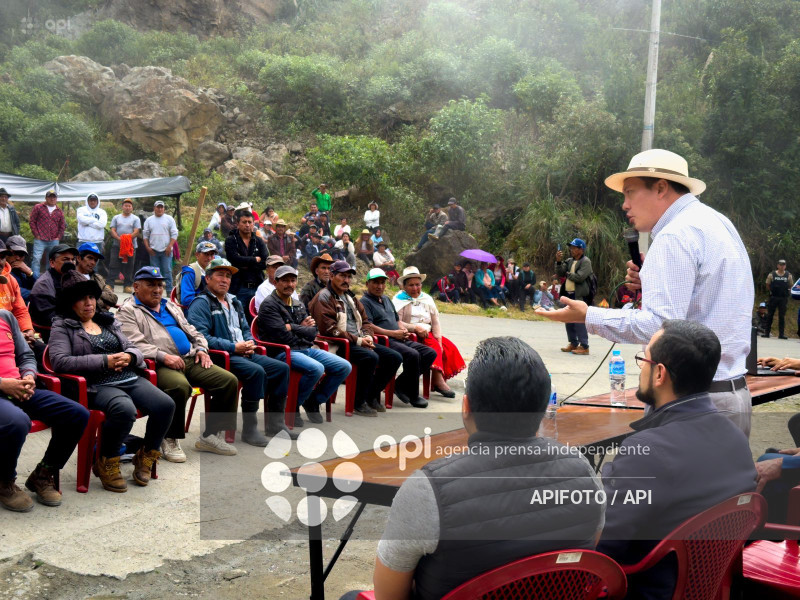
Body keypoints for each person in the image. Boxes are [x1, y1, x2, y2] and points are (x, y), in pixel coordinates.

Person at [341, 336, 604, 600]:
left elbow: (389, 595)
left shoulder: (427, 489)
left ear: (466, 407)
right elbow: (585, 554)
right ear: (544, 407)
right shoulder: (585, 472)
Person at [536, 149, 755, 437]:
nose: (624, 205)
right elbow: (707, 299)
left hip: (693, 405)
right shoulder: (717, 222)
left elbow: (660, 327)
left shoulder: (675, 235)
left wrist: (588, 315)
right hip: (732, 394)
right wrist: (652, 282)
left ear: (661, 187)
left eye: (630, 193)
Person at [598, 320, 756, 599]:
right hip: (706, 588)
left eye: (642, 359)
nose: (641, 369)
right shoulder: (736, 440)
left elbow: (603, 548)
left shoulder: (647, 451)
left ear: (659, 373)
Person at [49, 270, 175, 492]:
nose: (88, 304)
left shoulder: (107, 321)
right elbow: (60, 362)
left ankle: (145, 455)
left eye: (91, 298)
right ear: (70, 303)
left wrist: (129, 357)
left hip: (127, 377)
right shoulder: (62, 326)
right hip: (95, 384)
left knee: (166, 404)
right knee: (124, 409)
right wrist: (104, 361)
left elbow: (132, 347)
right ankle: (107, 461)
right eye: (81, 299)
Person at [117, 266, 240, 461]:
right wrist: (163, 357)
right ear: (136, 287)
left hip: (189, 358)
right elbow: (134, 343)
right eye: (151, 285)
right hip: (158, 364)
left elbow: (194, 330)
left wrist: (201, 348)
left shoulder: (170, 306)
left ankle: (210, 436)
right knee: (179, 386)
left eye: (160, 285)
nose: (157, 289)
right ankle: (170, 437)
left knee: (228, 381)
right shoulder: (128, 311)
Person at [188, 258, 295, 445]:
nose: (225, 280)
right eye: (220, 275)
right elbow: (201, 337)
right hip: (220, 356)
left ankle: (276, 424)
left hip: (242, 352)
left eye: (228, 276)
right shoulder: (201, 303)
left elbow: (245, 328)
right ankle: (250, 428)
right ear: (208, 279)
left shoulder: (235, 301)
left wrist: (249, 343)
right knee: (256, 372)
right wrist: (233, 347)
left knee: (281, 368)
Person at [0, 309, 89, 511]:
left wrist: (29, 376)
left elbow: (26, 355)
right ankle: (5, 481)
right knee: (17, 421)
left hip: (20, 387)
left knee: (76, 414)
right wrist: (3, 384)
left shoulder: (5, 317)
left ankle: (43, 473)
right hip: (3, 390)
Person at [257, 265, 352, 424]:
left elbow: (313, 331)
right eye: (285, 280)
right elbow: (282, 337)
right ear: (275, 282)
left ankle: (313, 400)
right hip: (282, 352)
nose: (290, 284)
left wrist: (293, 327)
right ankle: (293, 406)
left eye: (293, 280)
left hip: (304, 348)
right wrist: (301, 328)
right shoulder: (269, 305)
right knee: (316, 368)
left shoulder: (297, 303)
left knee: (344, 367)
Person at [309, 261, 402, 416]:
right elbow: (330, 330)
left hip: (357, 341)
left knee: (394, 357)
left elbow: (366, 321)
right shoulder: (324, 297)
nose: (347, 280)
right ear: (332, 276)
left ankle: (370, 394)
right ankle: (358, 403)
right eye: (342, 276)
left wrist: (367, 336)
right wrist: (359, 340)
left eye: (349, 277)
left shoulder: (350, 297)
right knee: (370, 357)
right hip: (337, 343)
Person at [361, 268, 435, 407]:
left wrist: (402, 328)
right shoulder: (365, 302)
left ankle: (400, 384)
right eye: (375, 282)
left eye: (382, 282)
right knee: (412, 355)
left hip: (399, 338)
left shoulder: (386, 299)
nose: (380, 286)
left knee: (429, 353)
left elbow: (397, 320)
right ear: (367, 284)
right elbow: (368, 326)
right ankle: (413, 395)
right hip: (384, 340)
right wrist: (392, 333)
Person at [393, 266, 465, 398]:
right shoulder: (399, 300)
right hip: (410, 334)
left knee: (448, 347)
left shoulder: (427, 298)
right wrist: (415, 328)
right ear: (404, 286)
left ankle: (437, 380)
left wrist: (439, 338)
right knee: (434, 346)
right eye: (411, 285)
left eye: (418, 285)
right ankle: (438, 381)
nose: (415, 288)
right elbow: (397, 322)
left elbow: (435, 321)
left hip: (428, 332)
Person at [225, 209, 268, 319]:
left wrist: (244, 263)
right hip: (238, 286)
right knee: (238, 317)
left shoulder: (259, 241)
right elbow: (233, 260)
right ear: (238, 224)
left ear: (254, 224)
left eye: (250, 222)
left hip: (257, 286)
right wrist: (254, 260)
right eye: (244, 222)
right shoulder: (231, 240)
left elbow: (265, 262)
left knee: (258, 317)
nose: (247, 225)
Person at [553, 238, 593, 355]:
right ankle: (573, 343)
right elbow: (560, 272)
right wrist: (559, 261)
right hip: (569, 294)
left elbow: (579, 277)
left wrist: (567, 274)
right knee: (568, 318)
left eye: (574, 248)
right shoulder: (569, 260)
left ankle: (584, 346)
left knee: (579, 320)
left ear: (581, 249)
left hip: (580, 295)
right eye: (571, 247)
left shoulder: (586, 262)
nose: (572, 250)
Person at [29, 244, 78, 332]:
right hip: (49, 330)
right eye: (66, 259)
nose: (71, 263)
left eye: (73, 259)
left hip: (67, 323)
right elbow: (49, 318)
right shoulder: (43, 285)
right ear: (52, 263)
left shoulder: (71, 277)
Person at [0, 240, 35, 346]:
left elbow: (20, 310)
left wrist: (28, 330)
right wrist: (17, 335)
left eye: (2, 257)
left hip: (14, 336)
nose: (18, 258)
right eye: (16, 254)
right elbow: (37, 293)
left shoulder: (12, 278)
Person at [143, 200, 178, 294]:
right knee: (154, 272)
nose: (160, 209)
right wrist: (148, 248)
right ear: (154, 208)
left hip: (166, 250)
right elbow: (145, 235)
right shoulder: (149, 220)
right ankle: (155, 290)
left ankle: (169, 291)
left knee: (167, 270)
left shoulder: (169, 219)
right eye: (158, 207)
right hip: (153, 250)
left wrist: (169, 246)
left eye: (161, 207)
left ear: (164, 209)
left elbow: (174, 234)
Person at [107, 199, 142, 294]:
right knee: (113, 264)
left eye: (129, 206)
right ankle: (110, 284)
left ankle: (127, 285)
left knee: (129, 266)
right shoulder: (116, 217)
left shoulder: (135, 219)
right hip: (117, 245)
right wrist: (119, 239)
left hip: (131, 246)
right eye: (125, 205)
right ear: (122, 207)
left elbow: (136, 231)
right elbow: (112, 230)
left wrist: (126, 239)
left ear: (132, 208)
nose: (127, 207)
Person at [29, 190, 65, 279]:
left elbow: (62, 225)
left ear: (56, 199)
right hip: (40, 239)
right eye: (50, 196)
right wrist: (36, 234)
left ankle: (48, 279)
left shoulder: (59, 211)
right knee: (36, 259)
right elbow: (32, 221)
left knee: (52, 261)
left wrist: (58, 237)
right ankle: (35, 280)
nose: (52, 198)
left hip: (53, 240)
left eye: (54, 197)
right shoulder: (38, 207)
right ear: (46, 198)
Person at [75, 243, 118, 312]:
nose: (93, 262)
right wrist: (104, 304)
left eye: (95, 260)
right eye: (90, 258)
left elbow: (114, 298)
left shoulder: (97, 278)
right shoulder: (71, 277)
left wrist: (97, 293)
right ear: (79, 258)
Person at [176, 241, 217, 308]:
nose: (209, 258)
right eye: (206, 254)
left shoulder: (214, 271)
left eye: (212, 255)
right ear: (197, 255)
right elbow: (186, 300)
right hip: (194, 313)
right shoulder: (190, 272)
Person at [765, 259, 793, 339]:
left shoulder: (788, 275)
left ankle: (781, 334)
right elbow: (767, 284)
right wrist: (771, 291)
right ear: (777, 265)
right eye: (780, 265)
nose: (782, 266)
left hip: (783, 298)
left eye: (783, 265)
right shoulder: (772, 274)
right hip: (773, 297)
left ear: (785, 266)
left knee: (782, 316)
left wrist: (787, 291)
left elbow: (791, 285)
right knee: (770, 315)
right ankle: (766, 333)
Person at [6, 236, 35, 302]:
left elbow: (39, 287)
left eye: (21, 254)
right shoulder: (2, 269)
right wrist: (37, 294)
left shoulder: (23, 269)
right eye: (15, 253)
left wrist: (30, 274)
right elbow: (14, 291)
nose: (18, 258)